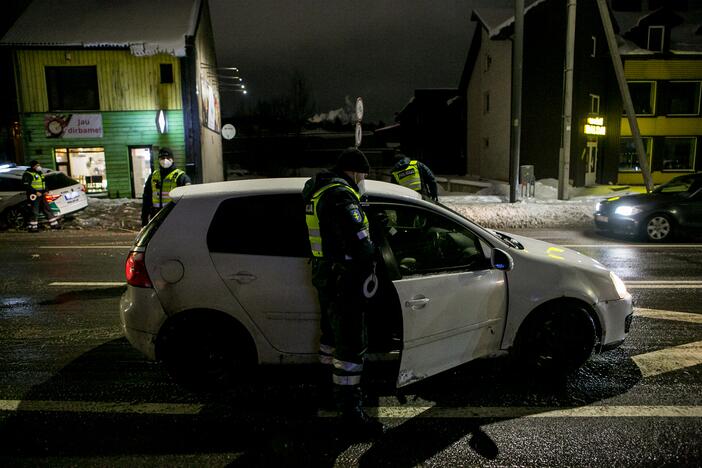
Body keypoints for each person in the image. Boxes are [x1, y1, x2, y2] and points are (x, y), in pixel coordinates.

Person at [302, 147, 386, 438]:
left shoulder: (317, 191)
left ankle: (327, 391)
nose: (362, 179)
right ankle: (351, 413)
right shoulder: (341, 196)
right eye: (362, 173)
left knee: (330, 338)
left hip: (325, 274)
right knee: (351, 345)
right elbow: (360, 243)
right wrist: (376, 250)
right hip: (344, 278)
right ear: (352, 170)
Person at [141, 148, 191, 226]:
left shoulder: (180, 176)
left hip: (173, 216)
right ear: (158, 160)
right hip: (156, 216)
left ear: (172, 159)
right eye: (162, 158)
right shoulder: (153, 176)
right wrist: (144, 219)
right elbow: (146, 198)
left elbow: (187, 199)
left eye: (168, 158)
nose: (165, 160)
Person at [22, 160, 60, 232]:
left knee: (47, 209)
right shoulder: (28, 174)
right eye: (37, 165)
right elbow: (26, 185)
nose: (38, 166)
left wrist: (46, 190)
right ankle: (33, 227)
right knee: (34, 210)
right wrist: (35, 192)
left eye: (39, 165)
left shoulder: (39, 173)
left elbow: (44, 183)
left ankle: (54, 224)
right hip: (34, 195)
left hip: (42, 194)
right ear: (33, 166)